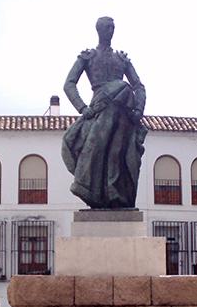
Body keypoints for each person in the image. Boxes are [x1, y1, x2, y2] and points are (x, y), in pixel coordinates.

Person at [62, 16, 147, 209]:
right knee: (95, 150)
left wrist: (138, 110)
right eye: (108, 27)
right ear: (99, 30)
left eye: (113, 27)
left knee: (117, 155)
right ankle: (94, 192)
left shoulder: (122, 59)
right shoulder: (88, 57)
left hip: (124, 112)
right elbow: (69, 84)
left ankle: (116, 195)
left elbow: (138, 86)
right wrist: (83, 108)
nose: (111, 30)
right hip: (100, 110)